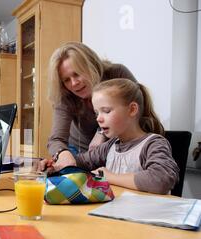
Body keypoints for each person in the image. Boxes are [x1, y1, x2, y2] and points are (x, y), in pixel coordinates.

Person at [46, 78, 179, 195]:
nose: (99, 118)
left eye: (106, 111)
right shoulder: (110, 146)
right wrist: (53, 165)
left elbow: (160, 179)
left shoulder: (153, 144)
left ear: (132, 109)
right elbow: (79, 162)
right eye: (96, 113)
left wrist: (110, 177)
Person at [45, 42, 137, 169]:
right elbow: (56, 139)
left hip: (118, 149)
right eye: (66, 80)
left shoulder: (117, 74)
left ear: (91, 65)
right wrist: (62, 153)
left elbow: (140, 112)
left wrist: (101, 133)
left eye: (77, 73)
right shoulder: (64, 94)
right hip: (81, 152)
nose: (74, 83)